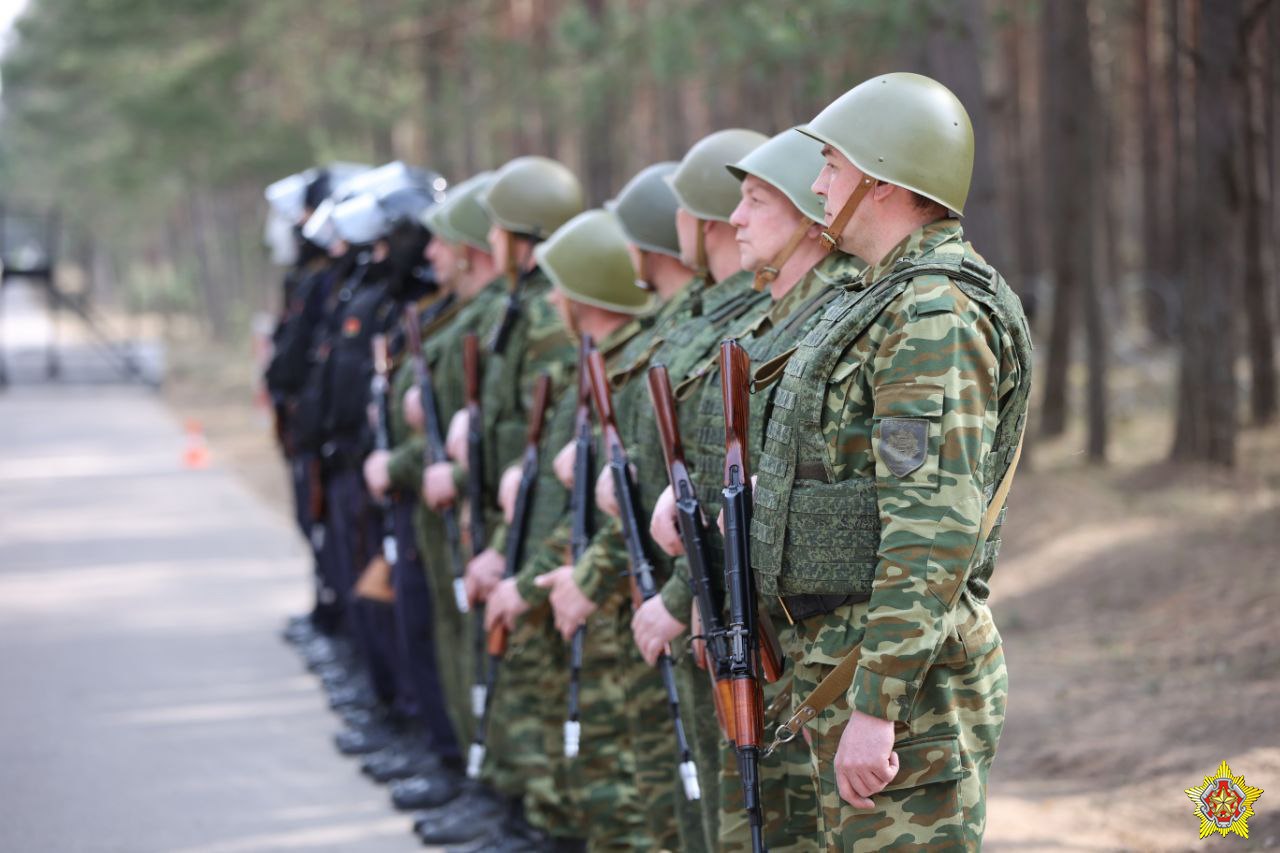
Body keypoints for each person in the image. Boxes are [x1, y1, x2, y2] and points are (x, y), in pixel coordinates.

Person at [749, 72, 1033, 850]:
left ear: (882, 183)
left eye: (832, 167)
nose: (817, 185)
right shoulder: (887, 297)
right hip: (858, 665)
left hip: (910, 690)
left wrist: (877, 706)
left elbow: (934, 522)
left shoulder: (934, 313)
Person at [538, 128, 769, 852]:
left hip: (714, 612)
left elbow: (716, 492)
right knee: (690, 807)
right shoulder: (692, 329)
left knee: (706, 812)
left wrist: (674, 598)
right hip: (691, 605)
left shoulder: (729, 330)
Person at [647, 126, 865, 851]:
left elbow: (821, 495)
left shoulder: (833, 320)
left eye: (753, 201)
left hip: (809, 636)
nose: (734, 219)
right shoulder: (774, 318)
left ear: (808, 213)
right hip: (751, 621)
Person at [415, 155, 580, 849]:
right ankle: (510, 804)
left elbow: (544, 424)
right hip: (505, 510)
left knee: (536, 679)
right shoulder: (520, 303)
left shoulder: (547, 311)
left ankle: (537, 816)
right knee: (509, 670)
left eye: (502, 232)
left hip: (532, 518)